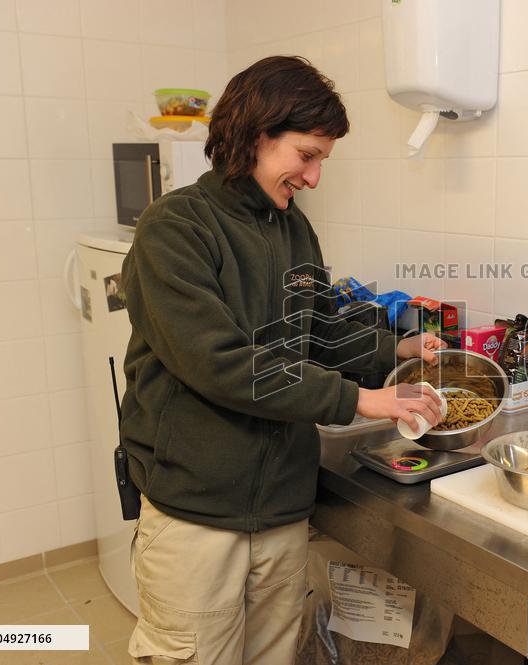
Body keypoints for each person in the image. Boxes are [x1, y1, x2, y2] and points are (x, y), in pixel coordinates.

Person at [119, 55, 445, 665]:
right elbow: (220, 362)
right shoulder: (175, 228)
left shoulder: (294, 230)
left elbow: (315, 328)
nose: (314, 177)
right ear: (255, 134)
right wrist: (359, 400)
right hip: (197, 513)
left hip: (281, 510)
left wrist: (394, 350)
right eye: (307, 155)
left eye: (322, 160)